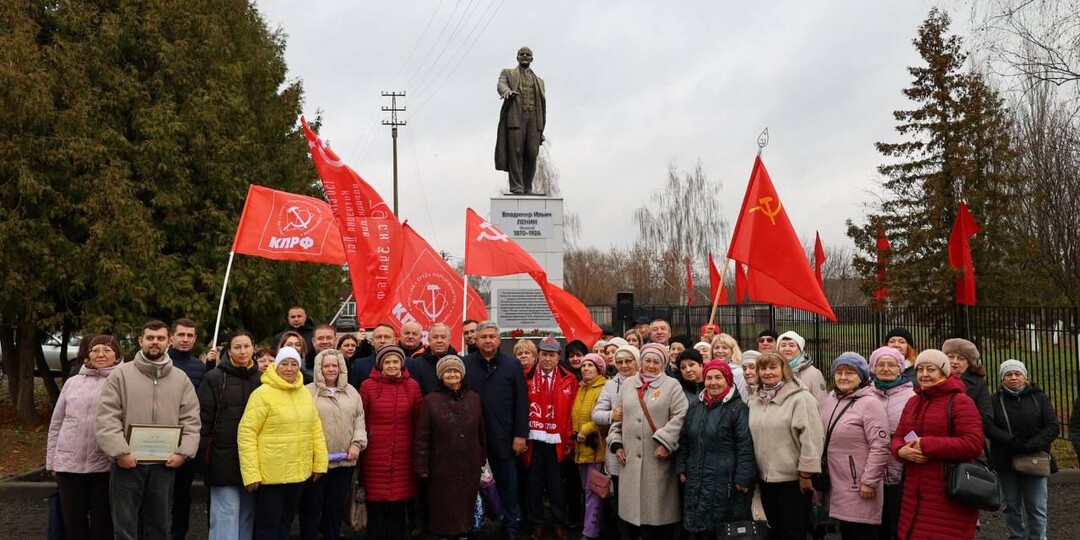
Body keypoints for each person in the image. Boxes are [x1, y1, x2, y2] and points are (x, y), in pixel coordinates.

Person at [94, 321, 201, 540]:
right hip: (127, 463)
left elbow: (191, 419)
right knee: (125, 527)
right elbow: (107, 417)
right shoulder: (120, 375)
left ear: (168, 342)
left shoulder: (181, 379)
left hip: (164, 465)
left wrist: (183, 453)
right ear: (141, 341)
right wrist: (120, 452)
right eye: (150, 338)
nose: (155, 342)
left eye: (160, 338)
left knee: (158, 526)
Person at [891, 350, 984, 540]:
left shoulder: (960, 402)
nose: (924, 374)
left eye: (930, 369)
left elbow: (973, 444)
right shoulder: (913, 402)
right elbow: (898, 436)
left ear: (943, 372)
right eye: (920, 369)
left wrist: (926, 444)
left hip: (947, 495)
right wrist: (900, 451)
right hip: (913, 495)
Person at [239, 346, 329, 539]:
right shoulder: (262, 394)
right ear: (276, 366)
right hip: (270, 474)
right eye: (284, 364)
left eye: (294, 364)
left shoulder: (304, 393)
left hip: (298, 472)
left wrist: (320, 464)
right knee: (268, 525)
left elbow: (316, 430)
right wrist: (251, 473)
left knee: (286, 520)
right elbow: (247, 433)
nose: (289, 368)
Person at [607, 343, 689, 539]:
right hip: (629, 462)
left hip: (658, 462)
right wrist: (616, 443)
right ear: (641, 362)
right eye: (647, 361)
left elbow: (681, 416)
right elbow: (618, 417)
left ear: (663, 364)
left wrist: (666, 442)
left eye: (656, 362)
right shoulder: (628, 384)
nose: (651, 365)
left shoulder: (672, 386)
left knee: (657, 521)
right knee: (629, 522)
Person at [48, 335, 122, 540]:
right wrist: (52, 460)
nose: (101, 354)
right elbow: (56, 423)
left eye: (107, 350)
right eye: (95, 350)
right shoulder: (72, 382)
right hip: (68, 464)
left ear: (117, 355)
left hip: (104, 464)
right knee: (73, 523)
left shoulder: (123, 382)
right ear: (88, 354)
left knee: (103, 523)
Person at [746, 352, 824, 540]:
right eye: (763, 368)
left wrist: (806, 474)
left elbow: (812, 438)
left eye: (773, 367)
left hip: (794, 481)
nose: (767, 372)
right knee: (774, 533)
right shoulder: (755, 400)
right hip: (766, 480)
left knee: (792, 533)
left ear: (784, 370)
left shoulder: (801, 398)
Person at [463, 321, 529, 537]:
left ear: (499, 340)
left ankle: (510, 525)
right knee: (471, 484)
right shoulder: (465, 364)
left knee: (508, 484)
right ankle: (473, 524)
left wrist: (520, 434)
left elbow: (522, 401)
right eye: (483, 337)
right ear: (476, 340)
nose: (488, 340)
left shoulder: (512, 365)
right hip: (473, 437)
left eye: (492, 336)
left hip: (505, 436)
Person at [677, 360, 756, 538]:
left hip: (725, 480)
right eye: (709, 378)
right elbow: (685, 440)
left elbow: (745, 446)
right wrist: (681, 467)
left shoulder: (738, 409)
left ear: (728, 379)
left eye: (718, 378)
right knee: (698, 525)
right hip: (696, 475)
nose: (713, 383)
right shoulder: (695, 406)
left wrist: (743, 478)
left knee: (720, 528)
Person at [199, 330, 263, 540]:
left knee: (247, 512)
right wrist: (202, 452)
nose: (242, 351)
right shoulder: (215, 378)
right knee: (226, 512)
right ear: (229, 350)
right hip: (222, 456)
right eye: (237, 347)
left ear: (254, 348)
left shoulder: (262, 379)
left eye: (246, 346)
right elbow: (204, 418)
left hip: (253, 457)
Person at [819, 352, 890, 539]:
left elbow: (880, 446)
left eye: (850, 373)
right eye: (839, 372)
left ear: (862, 377)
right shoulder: (831, 399)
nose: (843, 377)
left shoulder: (870, 404)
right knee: (846, 531)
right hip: (835, 480)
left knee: (860, 532)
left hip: (858, 483)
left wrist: (869, 481)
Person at [415, 355, 486, 540]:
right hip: (441, 465)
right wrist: (422, 466)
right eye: (448, 372)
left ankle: (464, 534)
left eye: (455, 371)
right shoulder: (430, 400)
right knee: (443, 507)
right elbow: (422, 437)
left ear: (462, 374)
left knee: (465, 505)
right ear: (441, 376)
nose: (452, 374)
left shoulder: (474, 398)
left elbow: (481, 432)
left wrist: (481, 458)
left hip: (469, 464)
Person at [985, 359, 1057, 540]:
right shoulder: (994, 400)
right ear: (1002, 378)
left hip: (1035, 458)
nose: (1013, 378)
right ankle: (1017, 536)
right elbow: (988, 426)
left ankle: (1038, 537)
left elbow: (1052, 426)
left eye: (1017, 374)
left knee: (1037, 507)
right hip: (1005, 460)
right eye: (1008, 374)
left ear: (1025, 377)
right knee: (1010, 505)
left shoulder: (1040, 398)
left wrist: (1032, 444)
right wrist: (1011, 441)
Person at [302, 349, 367, 540]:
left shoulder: (351, 392)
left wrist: (357, 444)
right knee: (311, 507)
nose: (331, 369)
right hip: (315, 462)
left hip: (344, 461)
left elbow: (359, 420)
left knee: (335, 507)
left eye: (334, 365)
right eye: (326, 366)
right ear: (319, 368)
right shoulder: (307, 392)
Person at [360, 346, 423, 540]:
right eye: (387, 362)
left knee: (398, 504)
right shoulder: (368, 386)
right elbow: (360, 418)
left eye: (396, 361)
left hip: (404, 453)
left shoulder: (412, 386)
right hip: (375, 454)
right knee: (375, 504)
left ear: (402, 364)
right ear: (380, 365)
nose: (392, 365)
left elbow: (418, 420)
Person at [525, 336, 578, 540]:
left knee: (557, 486)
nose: (547, 359)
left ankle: (558, 523)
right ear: (538, 355)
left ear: (558, 356)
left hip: (558, 441)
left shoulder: (569, 379)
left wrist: (569, 439)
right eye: (544, 354)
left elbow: (572, 412)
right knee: (534, 485)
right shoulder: (526, 377)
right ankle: (537, 523)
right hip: (533, 440)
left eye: (551, 355)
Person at [166, 318, 209, 540]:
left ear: (195, 339)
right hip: (159, 435)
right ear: (171, 337)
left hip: (186, 439)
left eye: (189, 335)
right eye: (181, 335)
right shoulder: (161, 362)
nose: (185, 339)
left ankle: (178, 533)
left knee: (182, 493)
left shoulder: (199, 367)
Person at [868, 346, 916, 540]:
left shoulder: (912, 396)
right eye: (881, 364)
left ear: (900, 369)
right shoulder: (866, 394)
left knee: (897, 522)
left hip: (901, 468)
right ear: (873, 367)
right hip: (871, 470)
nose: (886, 369)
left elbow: (916, 430)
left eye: (891, 365)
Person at [592, 345, 639, 540]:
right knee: (620, 501)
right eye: (620, 362)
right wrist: (612, 415)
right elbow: (596, 414)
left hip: (640, 451)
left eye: (628, 361)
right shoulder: (611, 385)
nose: (624, 365)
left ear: (637, 361)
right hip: (617, 450)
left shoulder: (645, 381)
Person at [495, 46, 546, 195]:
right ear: (517, 57)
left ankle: (527, 187)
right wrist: (506, 91)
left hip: (534, 119)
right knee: (516, 152)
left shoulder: (540, 81)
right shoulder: (508, 73)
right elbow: (501, 84)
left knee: (532, 153)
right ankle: (517, 187)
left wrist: (541, 128)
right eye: (521, 54)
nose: (524, 56)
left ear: (532, 59)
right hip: (515, 118)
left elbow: (542, 104)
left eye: (527, 54)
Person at [571, 353, 609, 540]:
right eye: (584, 365)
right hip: (581, 450)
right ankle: (597, 528)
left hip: (596, 450)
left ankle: (589, 533)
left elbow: (604, 417)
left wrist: (586, 430)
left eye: (590, 365)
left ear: (599, 369)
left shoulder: (604, 388)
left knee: (593, 491)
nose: (585, 368)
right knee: (589, 491)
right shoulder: (581, 388)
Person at [942, 338, 994, 430]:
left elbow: (986, 418)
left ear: (969, 363)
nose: (954, 362)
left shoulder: (978, 384)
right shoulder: (935, 379)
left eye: (961, 358)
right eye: (951, 357)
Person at [777, 331, 827, 404]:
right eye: (783, 345)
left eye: (791, 345)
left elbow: (821, 401)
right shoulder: (773, 372)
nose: (787, 349)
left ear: (800, 349)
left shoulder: (813, 373)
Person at [412, 323, 459, 394]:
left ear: (449, 340)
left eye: (443, 337)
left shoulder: (460, 363)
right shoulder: (416, 364)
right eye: (435, 337)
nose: (439, 341)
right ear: (428, 339)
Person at [348, 323, 398, 389]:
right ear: (372, 341)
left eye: (387, 337)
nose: (382, 341)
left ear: (395, 341)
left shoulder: (408, 364)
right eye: (378, 337)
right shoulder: (359, 365)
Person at [711, 333, 749, 400]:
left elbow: (741, 397)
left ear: (732, 351)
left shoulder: (738, 372)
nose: (720, 351)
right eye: (716, 348)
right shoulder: (709, 370)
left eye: (724, 348)